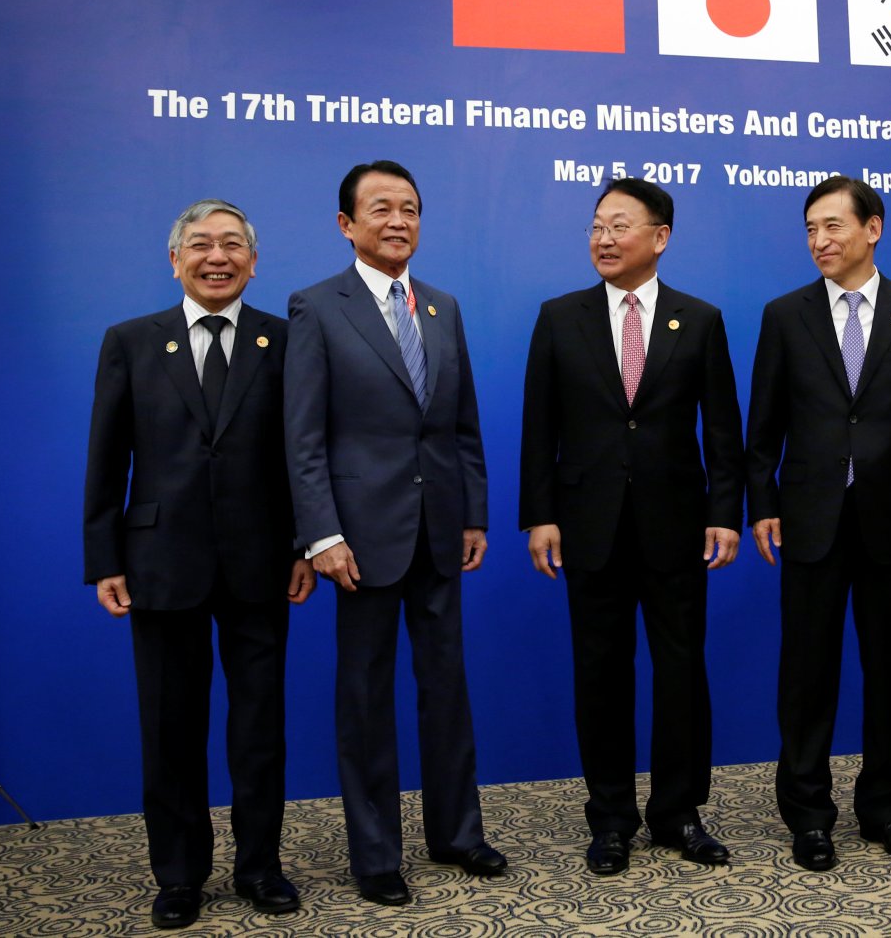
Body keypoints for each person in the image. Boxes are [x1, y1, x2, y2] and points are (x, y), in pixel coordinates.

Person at [83, 199, 314, 929]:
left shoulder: (286, 342)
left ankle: (260, 868)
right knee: (169, 727)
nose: (218, 257)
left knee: (259, 728)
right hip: (159, 560)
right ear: (175, 259)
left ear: (254, 259)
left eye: (233, 245)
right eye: (202, 245)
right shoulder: (131, 340)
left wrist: (305, 544)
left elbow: (303, 455)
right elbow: (106, 457)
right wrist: (104, 557)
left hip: (262, 562)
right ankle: (179, 875)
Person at [283, 160, 504, 906]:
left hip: (440, 529)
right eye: (380, 208)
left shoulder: (441, 307)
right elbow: (303, 436)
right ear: (347, 224)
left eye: (409, 208)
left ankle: (458, 833)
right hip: (359, 539)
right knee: (366, 699)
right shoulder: (317, 307)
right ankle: (375, 854)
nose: (398, 220)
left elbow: (462, 426)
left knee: (447, 690)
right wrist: (320, 535)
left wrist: (474, 512)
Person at [519, 177, 745, 875]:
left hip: (676, 527)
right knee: (601, 674)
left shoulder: (698, 319)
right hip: (588, 526)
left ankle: (679, 813)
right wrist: (541, 515)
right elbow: (539, 429)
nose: (604, 239)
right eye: (596, 226)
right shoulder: (560, 317)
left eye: (619, 225)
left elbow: (723, 430)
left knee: (681, 672)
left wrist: (724, 515)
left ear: (660, 237)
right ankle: (611, 818)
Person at [745, 176, 891, 870]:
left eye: (832, 226)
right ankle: (808, 816)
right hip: (810, 520)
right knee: (806, 675)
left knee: (887, 670)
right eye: (809, 229)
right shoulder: (785, 314)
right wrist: (763, 505)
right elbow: (763, 429)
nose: (819, 241)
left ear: (874, 228)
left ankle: (885, 809)